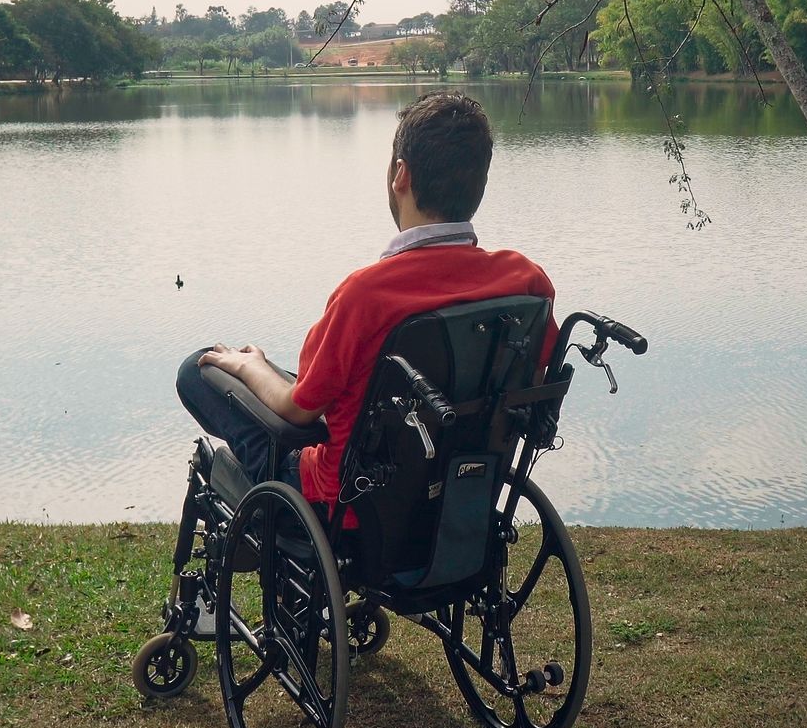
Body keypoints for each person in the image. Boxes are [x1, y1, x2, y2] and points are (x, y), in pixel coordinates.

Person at [174, 90, 555, 512]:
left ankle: (235, 484)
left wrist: (251, 366)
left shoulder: (365, 296)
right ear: (479, 184)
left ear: (401, 175)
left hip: (348, 503)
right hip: (456, 492)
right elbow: (531, 385)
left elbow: (297, 409)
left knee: (195, 370)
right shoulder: (526, 281)